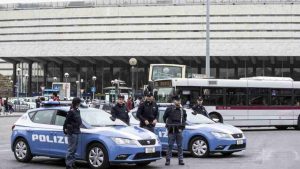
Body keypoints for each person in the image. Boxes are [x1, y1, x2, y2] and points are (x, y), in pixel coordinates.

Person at [163, 96, 187, 166]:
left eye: (179, 100)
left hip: (179, 130)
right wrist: (168, 125)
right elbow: (164, 117)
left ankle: (181, 160)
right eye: (177, 100)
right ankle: (168, 160)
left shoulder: (182, 110)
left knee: (180, 146)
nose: (178, 102)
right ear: (174, 101)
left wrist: (182, 128)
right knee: (170, 145)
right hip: (171, 129)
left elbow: (184, 120)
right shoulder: (169, 109)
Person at [63, 97, 82, 169]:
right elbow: (66, 121)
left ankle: (72, 163)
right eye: (79, 103)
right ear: (76, 103)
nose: (80, 104)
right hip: (72, 132)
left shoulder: (77, 110)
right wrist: (64, 128)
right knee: (71, 149)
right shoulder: (71, 111)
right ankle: (68, 165)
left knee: (74, 149)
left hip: (77, 131)